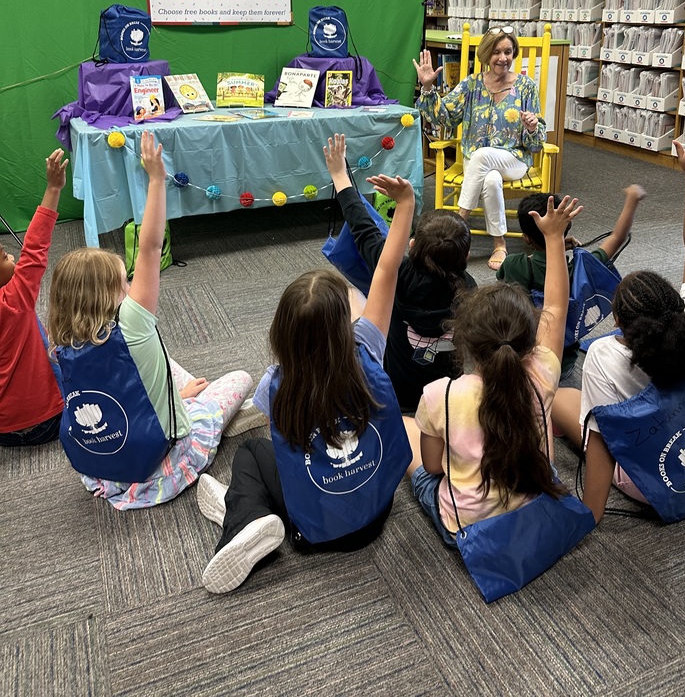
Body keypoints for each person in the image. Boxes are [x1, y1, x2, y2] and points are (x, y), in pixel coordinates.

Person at [197, 136, 416, 593]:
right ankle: (243, 508)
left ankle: (246, 516)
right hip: (377, 515)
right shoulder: (367, 348)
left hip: (313, 535)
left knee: (252, 453)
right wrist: (406, 204)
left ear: (282, 333)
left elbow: (271, 433)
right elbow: (386, 271)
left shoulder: (277, 384)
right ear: (344, 323)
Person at [47, 131, 253, 509]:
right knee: (241, 378)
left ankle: (179, 397)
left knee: (166, 364)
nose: (130, 282)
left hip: (104, 465)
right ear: (112, 296)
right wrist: (156, 178)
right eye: (123, 281)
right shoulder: (132, 325)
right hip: (163, 461)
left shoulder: (59, 344)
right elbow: (151, 246)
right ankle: (193, 408)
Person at [551, 123, 685, 523]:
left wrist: (589, 517)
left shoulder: (604, 354)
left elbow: (601, 445)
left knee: (560, 398)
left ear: (621, 326)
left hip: (656, 487)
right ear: (674, 303)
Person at [406, 194, 582, 547]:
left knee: (405, 426)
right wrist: (554, 238)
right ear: (529, 337)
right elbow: (556, 306)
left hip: (469, 528)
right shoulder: (546, 369)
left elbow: (434, 467)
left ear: (466, 342)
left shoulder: (441, 394)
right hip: (534, 496)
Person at [330, 139, 477, 413]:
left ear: (411, 246)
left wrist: (340, 175)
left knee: (351, 295)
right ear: (466, 258)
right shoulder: (470, 290)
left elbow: (362, 227)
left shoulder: (397, 273)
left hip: (398, 395)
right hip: (445, 395)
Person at [414, 28, 547, 271]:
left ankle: (455, 230)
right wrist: (428, 88)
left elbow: (536, 143)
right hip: (478, 165)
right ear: (486, 55)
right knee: (490, 180)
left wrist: (531, 128)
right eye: (496, 52)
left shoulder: (526, 87)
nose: (503, 58)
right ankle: (500, 244)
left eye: (508, 51)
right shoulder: (472, 85)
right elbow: (443, 117)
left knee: (482, 156)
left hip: (515, 160)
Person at [497, 184, 646, 378]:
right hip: (563, 361)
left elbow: (501, 283)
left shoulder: (513, 264)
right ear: (567, 226)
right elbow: (618, 237)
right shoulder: (584, 267)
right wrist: (632, 199)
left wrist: (554, 243)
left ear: (526, 238)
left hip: (521, 358)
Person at [0, 149, 68, 447]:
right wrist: (53, 188)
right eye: (4, 257)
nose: (11, 254)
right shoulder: (12, 299)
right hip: (42, 422)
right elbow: (35, 248)